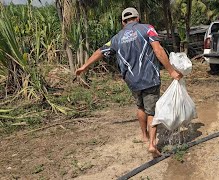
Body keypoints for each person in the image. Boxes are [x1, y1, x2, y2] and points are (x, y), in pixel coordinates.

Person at [75, 7, 183, 158]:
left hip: (132, 81)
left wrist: (84, 66)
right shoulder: (147, 29)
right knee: (152, 111)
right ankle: (152, 144)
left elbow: (100, 51)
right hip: (149, 78)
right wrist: (171, 71)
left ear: (123, 22)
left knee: (140, 107)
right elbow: (158, 51)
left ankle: (144, 136)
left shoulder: (116, 38)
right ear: (137, 18)